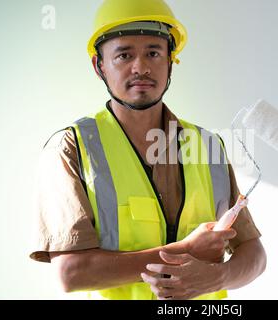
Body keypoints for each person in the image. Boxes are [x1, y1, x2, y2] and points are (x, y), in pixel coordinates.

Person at [30, 0, 266, 300]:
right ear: (99, 65)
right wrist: (185, 251)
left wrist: (215, 277)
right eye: (124, 55)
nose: (140, 67)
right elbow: (71, 272)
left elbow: (254, 253)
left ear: (170, 61)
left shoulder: (208, 146)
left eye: (153, 53)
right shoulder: (71, 148)